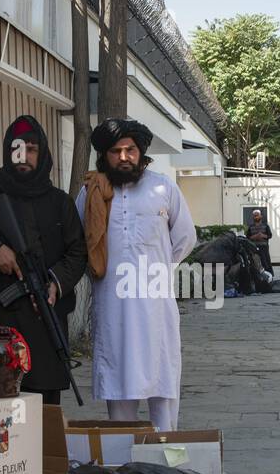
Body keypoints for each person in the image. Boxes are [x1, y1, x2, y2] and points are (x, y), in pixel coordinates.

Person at [0, 114, 87, 405]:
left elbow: (78, 253)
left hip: (43, 323)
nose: (23, 155)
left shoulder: (60, 203)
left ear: (44, 153)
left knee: (41, 412)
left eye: (32, 148)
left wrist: (55, 282)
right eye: (16, 147)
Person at [77, 118, 195, 431]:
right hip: (112, 304)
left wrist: (155, 269)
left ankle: (166, 458)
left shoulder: (162, 187)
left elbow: (185, 237)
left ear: (141, 153)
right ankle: (124, 464)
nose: (124, 157)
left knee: (162, 382)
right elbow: (80, 242)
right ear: (105, 156)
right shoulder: (90, 194)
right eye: (116, 151)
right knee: (119, 383)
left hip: (156, 307)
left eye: (131, 149)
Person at [247, 209, 274, 275]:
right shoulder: (250, 227)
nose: (256, 217)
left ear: (260, 216)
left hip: (264, 247)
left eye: (257, 215)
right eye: (255, 215)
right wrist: (255, 236)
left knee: (266, 262)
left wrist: (262, 235)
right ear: (253, 217)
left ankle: (269, 275)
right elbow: (248, 237)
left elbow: (270, 235)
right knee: (255, 262)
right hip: (254, 248)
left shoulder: (266, 226)